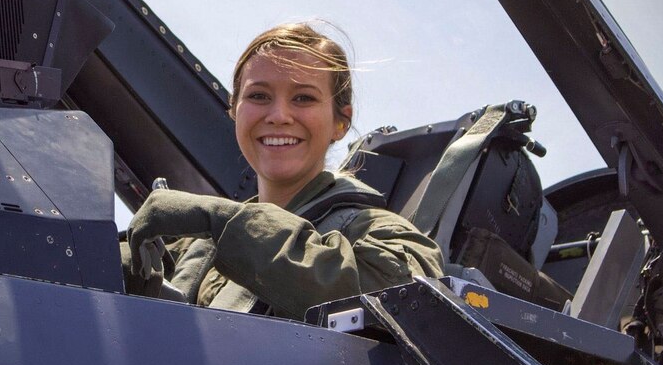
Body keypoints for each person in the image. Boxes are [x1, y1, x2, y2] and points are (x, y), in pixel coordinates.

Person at [125, 23, 444, 320]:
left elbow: (406, 296)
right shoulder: (196, 248)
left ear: (340, 122)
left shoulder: (378, 232)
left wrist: (220, 221)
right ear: (235, 110)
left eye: (303, 98)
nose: (279, 115)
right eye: (259, 96)